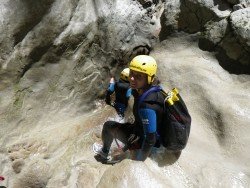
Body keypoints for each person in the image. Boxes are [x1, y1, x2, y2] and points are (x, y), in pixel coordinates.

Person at [95, 55, 165, 162]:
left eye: (139, 76)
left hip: (146, 140)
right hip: (143, 131)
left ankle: (104, 153)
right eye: (132, 73)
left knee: (108, 126)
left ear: (149, 79)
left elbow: (150, 139)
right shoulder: (152, 90)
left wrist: (139, 161)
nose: (132, 78)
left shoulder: (147, 105)